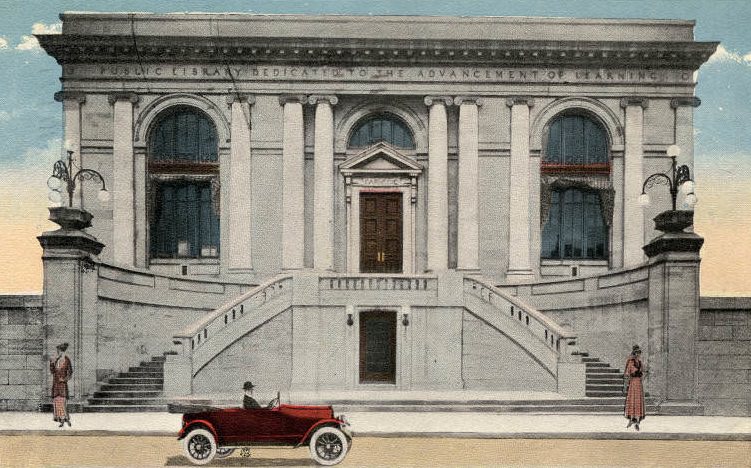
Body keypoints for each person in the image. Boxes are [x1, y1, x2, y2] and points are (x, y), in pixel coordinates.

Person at [50, 343, 73, 427]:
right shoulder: (55, 360)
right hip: (56, 384)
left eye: (59, 351)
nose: (58, 353)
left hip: (62, 385)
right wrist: (52, 363)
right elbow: (52, 371)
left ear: (63, 352)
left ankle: (66, 419)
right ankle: (62, 420)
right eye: (58, 351)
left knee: (63, 402)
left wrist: (64, 379)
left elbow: (70, 372)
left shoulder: (67, 360)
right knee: (57, 401)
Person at [624, 344, 646, 431]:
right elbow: (628, 372)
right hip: (633, 383)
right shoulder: (631, 362)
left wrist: (642, 375)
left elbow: (643, 371)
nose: (637, 355)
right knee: (632, 400)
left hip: (639, 384)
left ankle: (637, 420)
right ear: (633, 353)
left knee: (638, 400)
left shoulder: (640, 362)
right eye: (636, 353)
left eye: (638, 353)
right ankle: (631, 419)